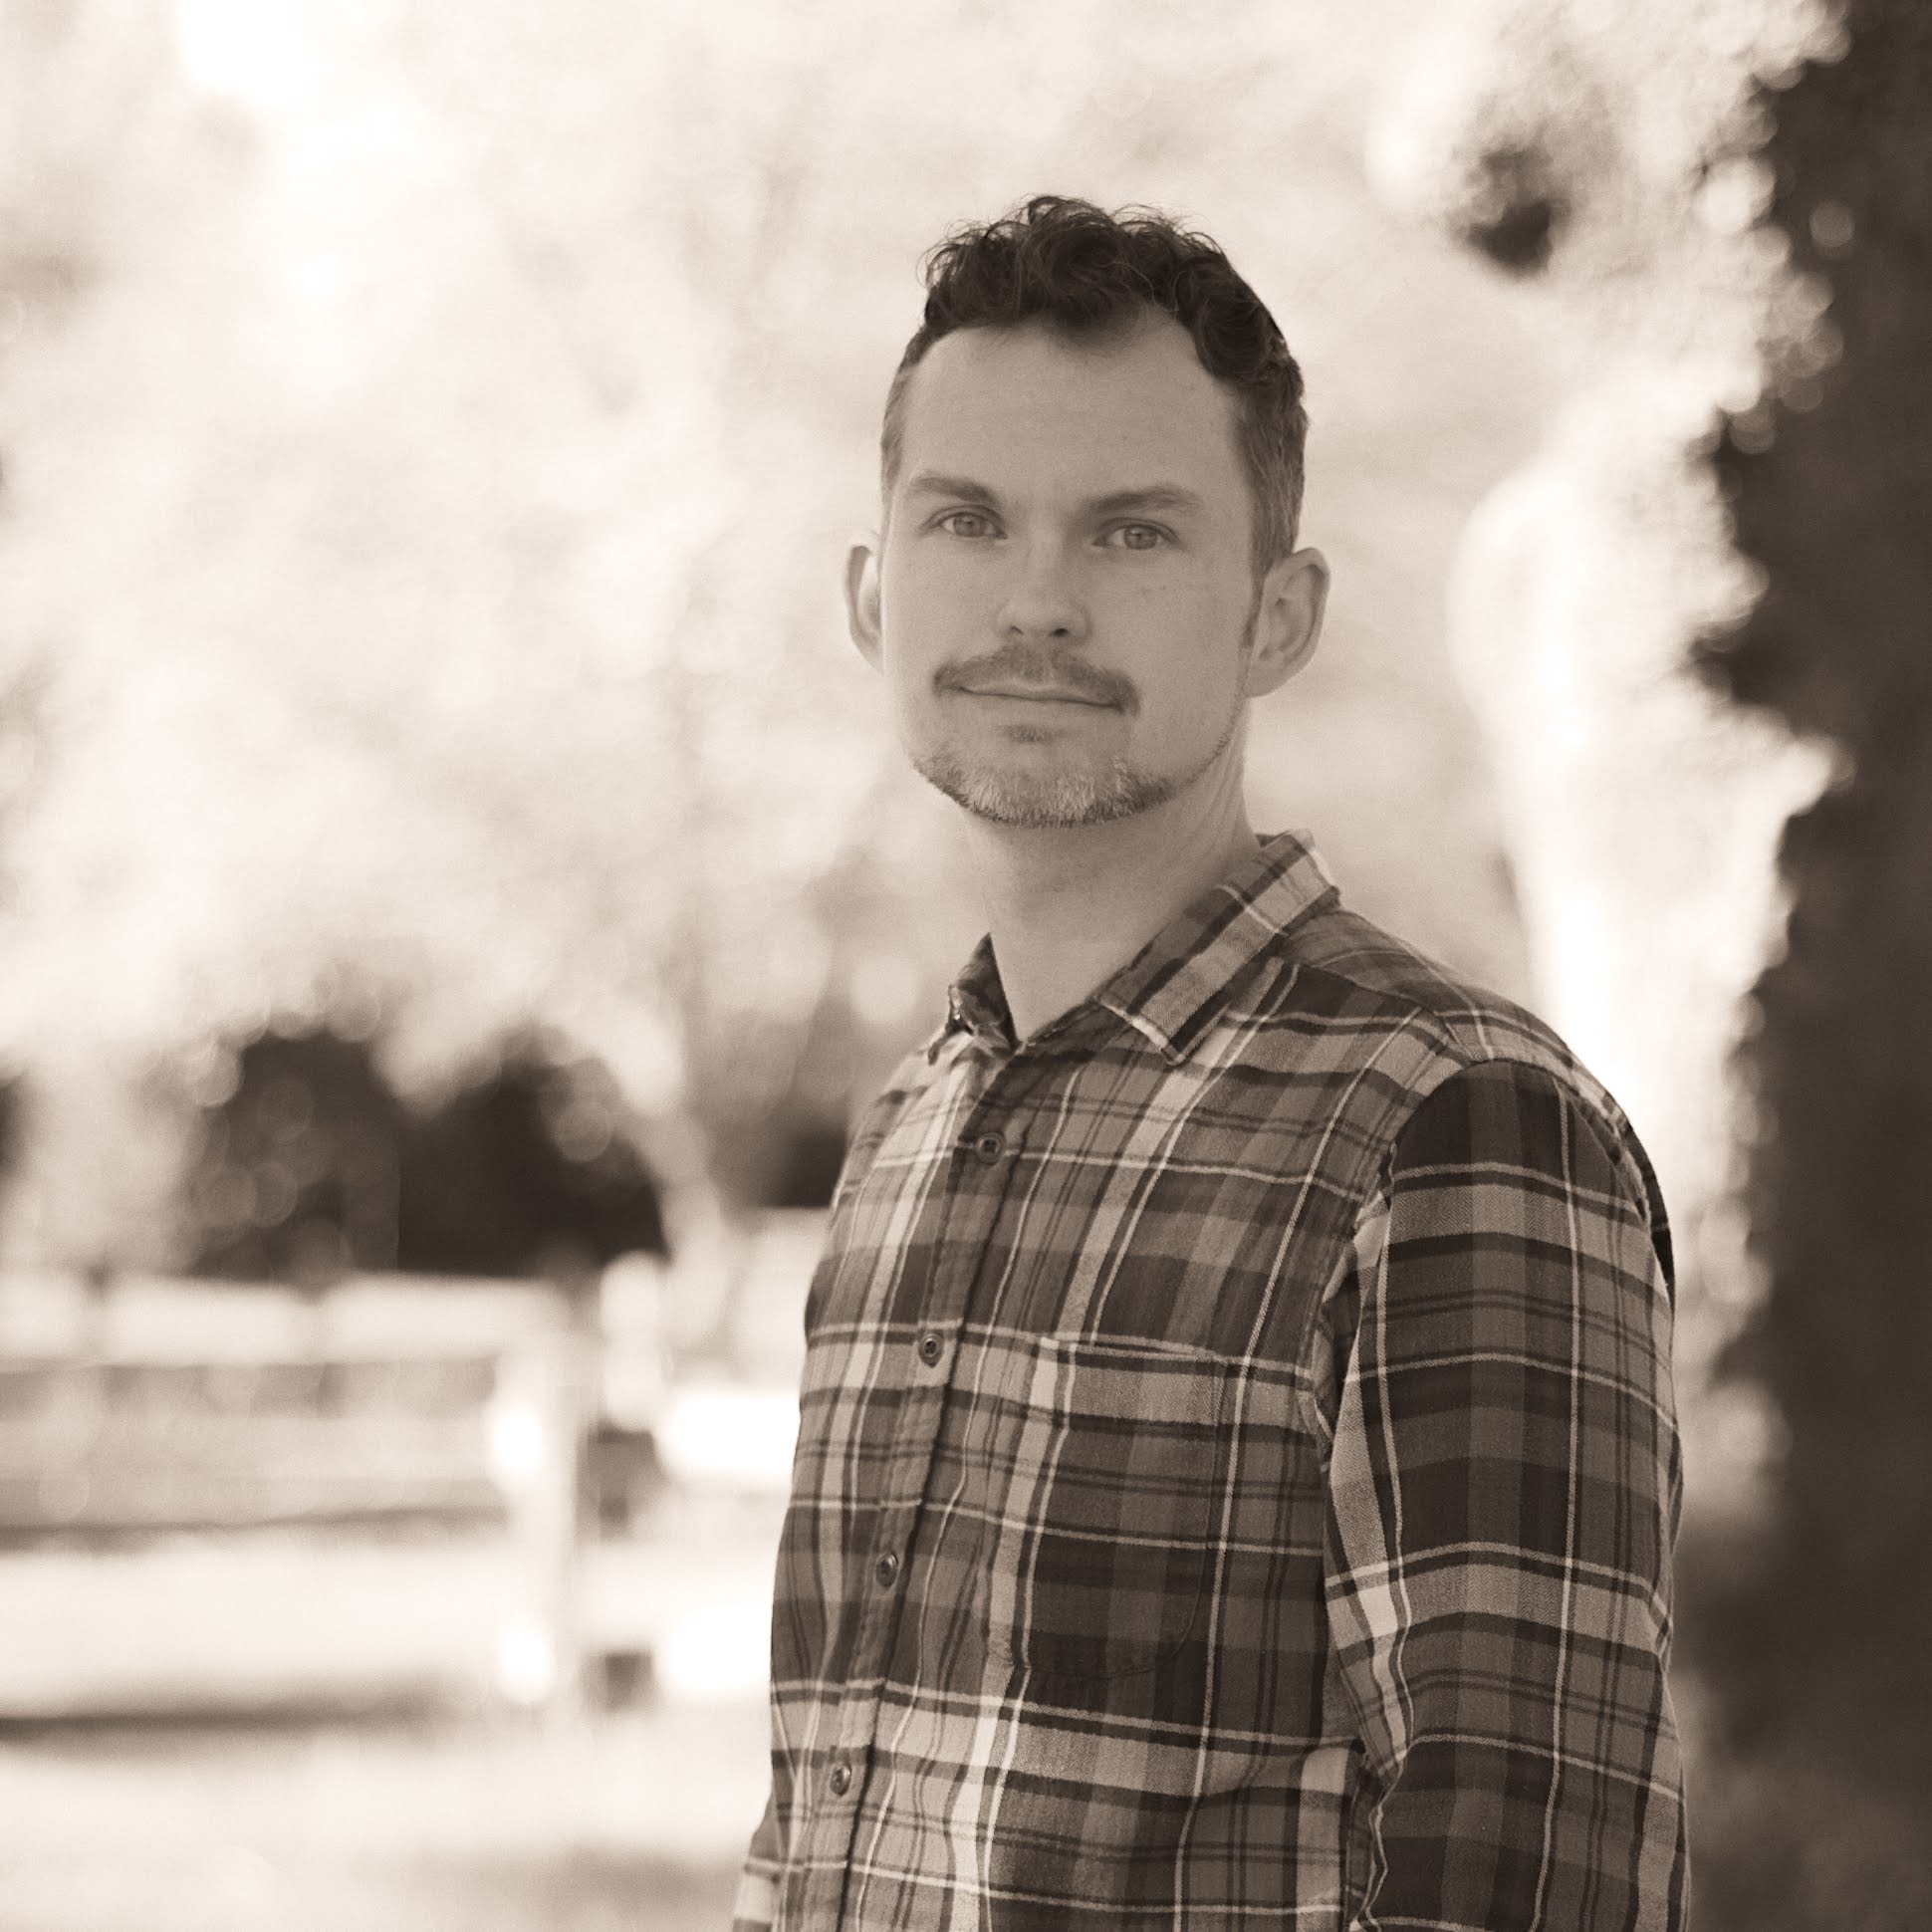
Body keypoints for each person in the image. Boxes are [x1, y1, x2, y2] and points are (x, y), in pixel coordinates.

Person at [735, 194, 1688, 1930]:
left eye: (1132, 536)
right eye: (967, 519)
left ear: (1278, 615)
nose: (1036, 602)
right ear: (871, 596)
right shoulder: (902, 1140)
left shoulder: (1454, 1123)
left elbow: (1528, 1882)